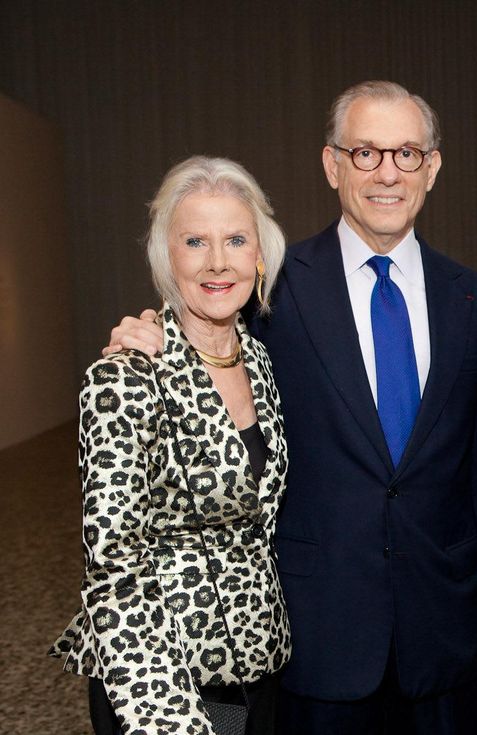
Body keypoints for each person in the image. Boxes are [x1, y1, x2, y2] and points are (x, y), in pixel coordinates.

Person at [103, 81, 477, 735]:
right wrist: (148, 333)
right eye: (365, 152)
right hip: (315, 639)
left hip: (443, 634)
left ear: (432, 167)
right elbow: (206, 344)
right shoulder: (270, 294)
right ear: (331, 164)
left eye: (406, 153)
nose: (386, 172)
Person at [50, 156, 291, 734]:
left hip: (256, 666)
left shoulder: (257, 361)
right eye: (194, 241)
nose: (217, 261)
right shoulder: (128, 376)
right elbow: (113, 564)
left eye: (235, 239)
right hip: (163, 683)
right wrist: (169, 719)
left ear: (260, 255)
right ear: (167, 257)